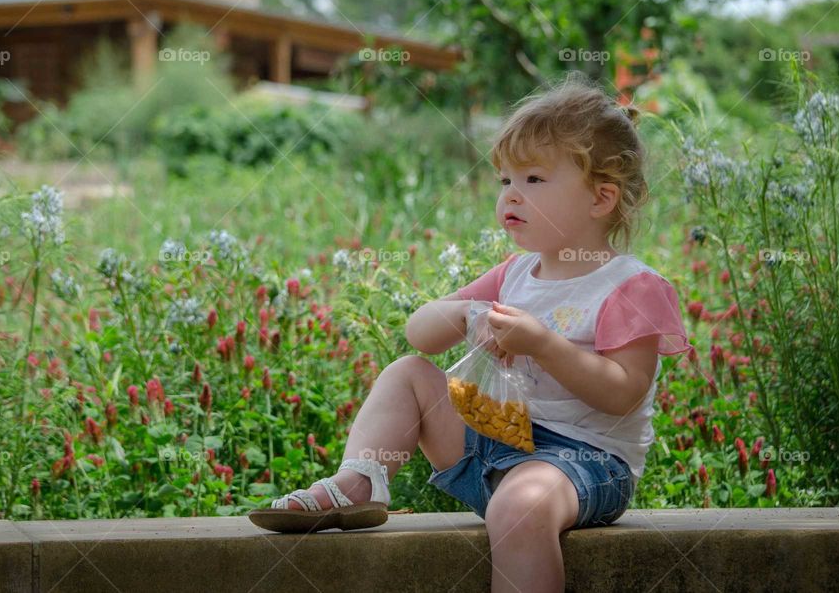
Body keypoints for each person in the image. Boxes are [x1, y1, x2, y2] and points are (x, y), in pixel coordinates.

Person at [248, 72, 694, 593]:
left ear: (600, 199)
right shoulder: (515, 274)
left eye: (533, 180)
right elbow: (420, 335)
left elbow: (622, 394)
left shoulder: (631, 286)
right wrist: (465, 316)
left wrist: (542, 344)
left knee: (519, 507)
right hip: (497, 443)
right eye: (505, 180)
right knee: (408, 375)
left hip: (584, 463)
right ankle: (360, 480)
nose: (511, 195)